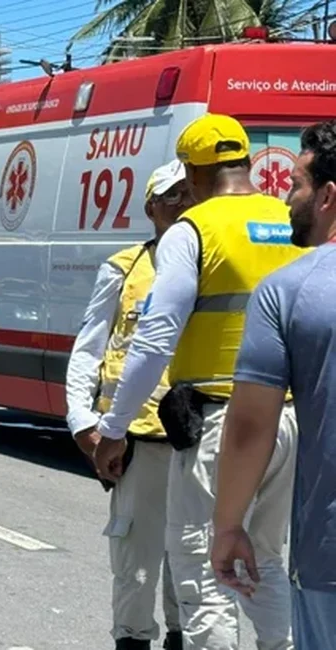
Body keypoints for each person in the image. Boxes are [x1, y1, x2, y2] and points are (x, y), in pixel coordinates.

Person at [92, 114, 307, 650]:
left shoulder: (193, 230)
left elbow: (155, 338)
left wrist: (115, 425)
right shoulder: (288, 220)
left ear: (193, 172)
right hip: (288, 417)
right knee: (266, 558)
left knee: (202, 565)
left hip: (221, 422)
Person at [211, 120, 336, 648]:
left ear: (328, 196)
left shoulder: (288, 290)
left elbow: (249, 426)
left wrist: (227, 525)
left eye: (295, 185)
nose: (285, 198)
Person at [66, 160, 192, 650]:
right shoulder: (125, 269)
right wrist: (82, 421)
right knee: (136, 572)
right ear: (151, 209)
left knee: (190, 571)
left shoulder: (212, 266)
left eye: (190, 194)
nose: (183, 205)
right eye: (172, 197)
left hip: (198, 440)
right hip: (138, 443)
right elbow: (89, 348)